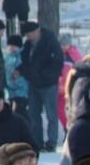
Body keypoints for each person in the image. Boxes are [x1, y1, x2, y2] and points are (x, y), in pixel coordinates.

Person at [20, 21, 62, 152]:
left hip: (48, 84)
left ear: (37, 31)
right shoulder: (27, 45)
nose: (29, 37)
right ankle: (37, 142)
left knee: (51, 114)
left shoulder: (50, 41)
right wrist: (24, 72)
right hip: (33, 84)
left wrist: (45, 75)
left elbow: (57, 62)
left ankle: (52, 142)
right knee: (33, 113)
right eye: (27, 34)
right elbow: (26, 62)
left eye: (31, 33)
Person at [4, 33, 29, 121]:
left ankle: (26, 131)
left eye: (13, 46)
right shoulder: (6, 57)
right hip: (10, 92)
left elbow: (26, 68)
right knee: (12, 114)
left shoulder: (22, 56)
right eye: (9, 45)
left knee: (20, 113)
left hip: (21, 91)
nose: (11, 48)